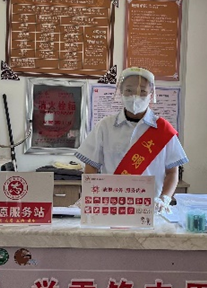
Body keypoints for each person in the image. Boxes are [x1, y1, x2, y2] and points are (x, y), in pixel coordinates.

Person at [74, 67, 188, 212]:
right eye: (129, 90)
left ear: (151, 94)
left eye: (142, 91)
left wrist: (164, 199)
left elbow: (172, 172)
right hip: (111, 206)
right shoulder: (105, 126)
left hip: (150, 208)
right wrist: (90, 196)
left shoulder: (163, 129)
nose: (135, 96)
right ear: (121, 92)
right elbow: (91, 166)